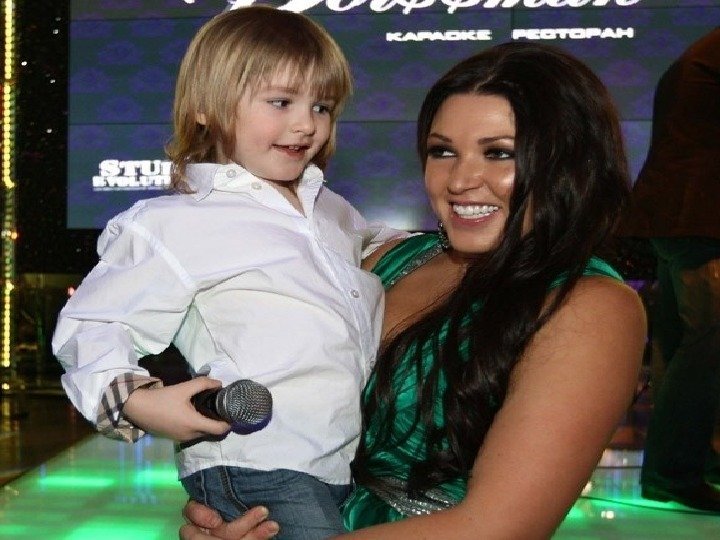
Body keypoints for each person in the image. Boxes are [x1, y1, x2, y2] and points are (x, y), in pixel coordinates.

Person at [180, 41, 647, 539]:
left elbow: (495, 528)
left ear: (570, 163)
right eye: (442, 151)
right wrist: (231, 514)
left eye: (499, 153)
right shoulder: (383, 262)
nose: (460, 180)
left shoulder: (591, 305)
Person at [51, 6, 402, 539]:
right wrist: (139, 401)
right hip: (253, 457)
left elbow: (387, 245)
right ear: (205, 108)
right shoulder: (173, 222)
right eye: (281, 102)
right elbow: (94, 323)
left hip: (336, 463)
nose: (306, 123)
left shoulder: (331, 210)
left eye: (322, 106)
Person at [620, 27, 720, 512]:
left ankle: (684, 466)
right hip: (700, 214)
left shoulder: (698, 56)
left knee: (685, 345)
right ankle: (676, 471)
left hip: (681, 214)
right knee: (707, 346)